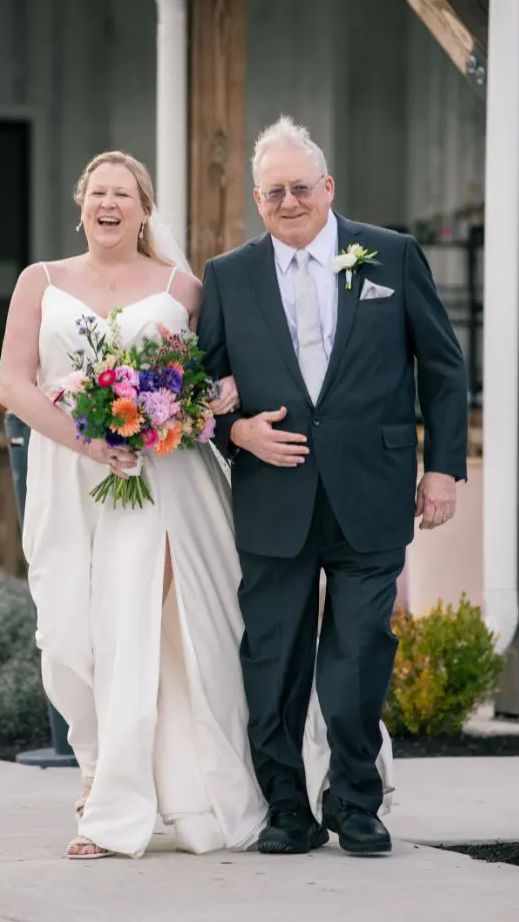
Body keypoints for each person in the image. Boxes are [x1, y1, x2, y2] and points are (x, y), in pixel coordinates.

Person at [197, 117, 468, 857]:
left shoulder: (392, 256)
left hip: (371, 491)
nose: (289, 201)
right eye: (274, 191)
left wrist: (442, 468)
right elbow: (202, 391)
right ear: (258, 199)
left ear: (329, 188)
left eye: (301, 187)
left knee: (356, 658)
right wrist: (236, 432)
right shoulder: (226, 276)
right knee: (274, 659)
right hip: (272, 495)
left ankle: (354, 800)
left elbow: (443, 368)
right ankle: (287, 807)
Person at [0, 151, 267, 859]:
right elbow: (14, 387)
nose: (109, 204)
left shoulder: (183, 287)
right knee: (67, 635)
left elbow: (214, 378)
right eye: (98, 193)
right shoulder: (41, 281)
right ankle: (95, 765)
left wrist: (200, 407)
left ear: (145, 211)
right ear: (81, 204)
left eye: (123, 193)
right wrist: (87, 443)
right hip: (69, 475)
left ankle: (111, 805)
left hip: (161, 482)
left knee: (136, 628)